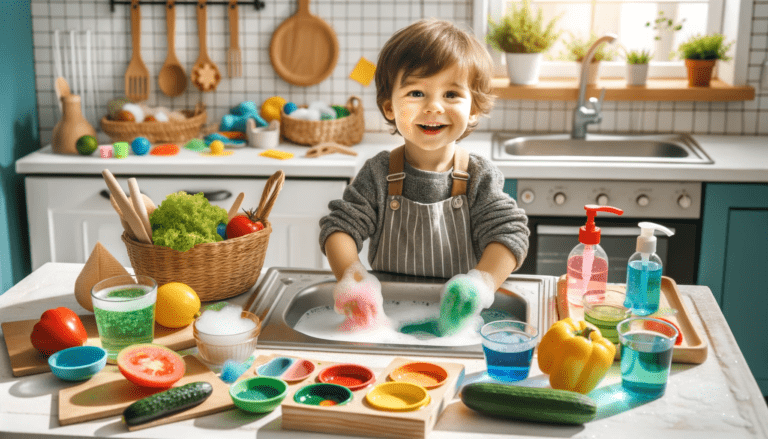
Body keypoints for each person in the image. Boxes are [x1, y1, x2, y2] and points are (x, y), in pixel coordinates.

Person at [319, 18, 529, 335]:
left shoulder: (478, 176)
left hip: (457, 320)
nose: (433, 106)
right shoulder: (377, 173)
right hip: (387, 318)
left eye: (451, 94)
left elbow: (509, 234)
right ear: (390, 107)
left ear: (473, 108)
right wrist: (353, 277)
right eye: (417, 92)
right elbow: (339, 229)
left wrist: (481, 283)